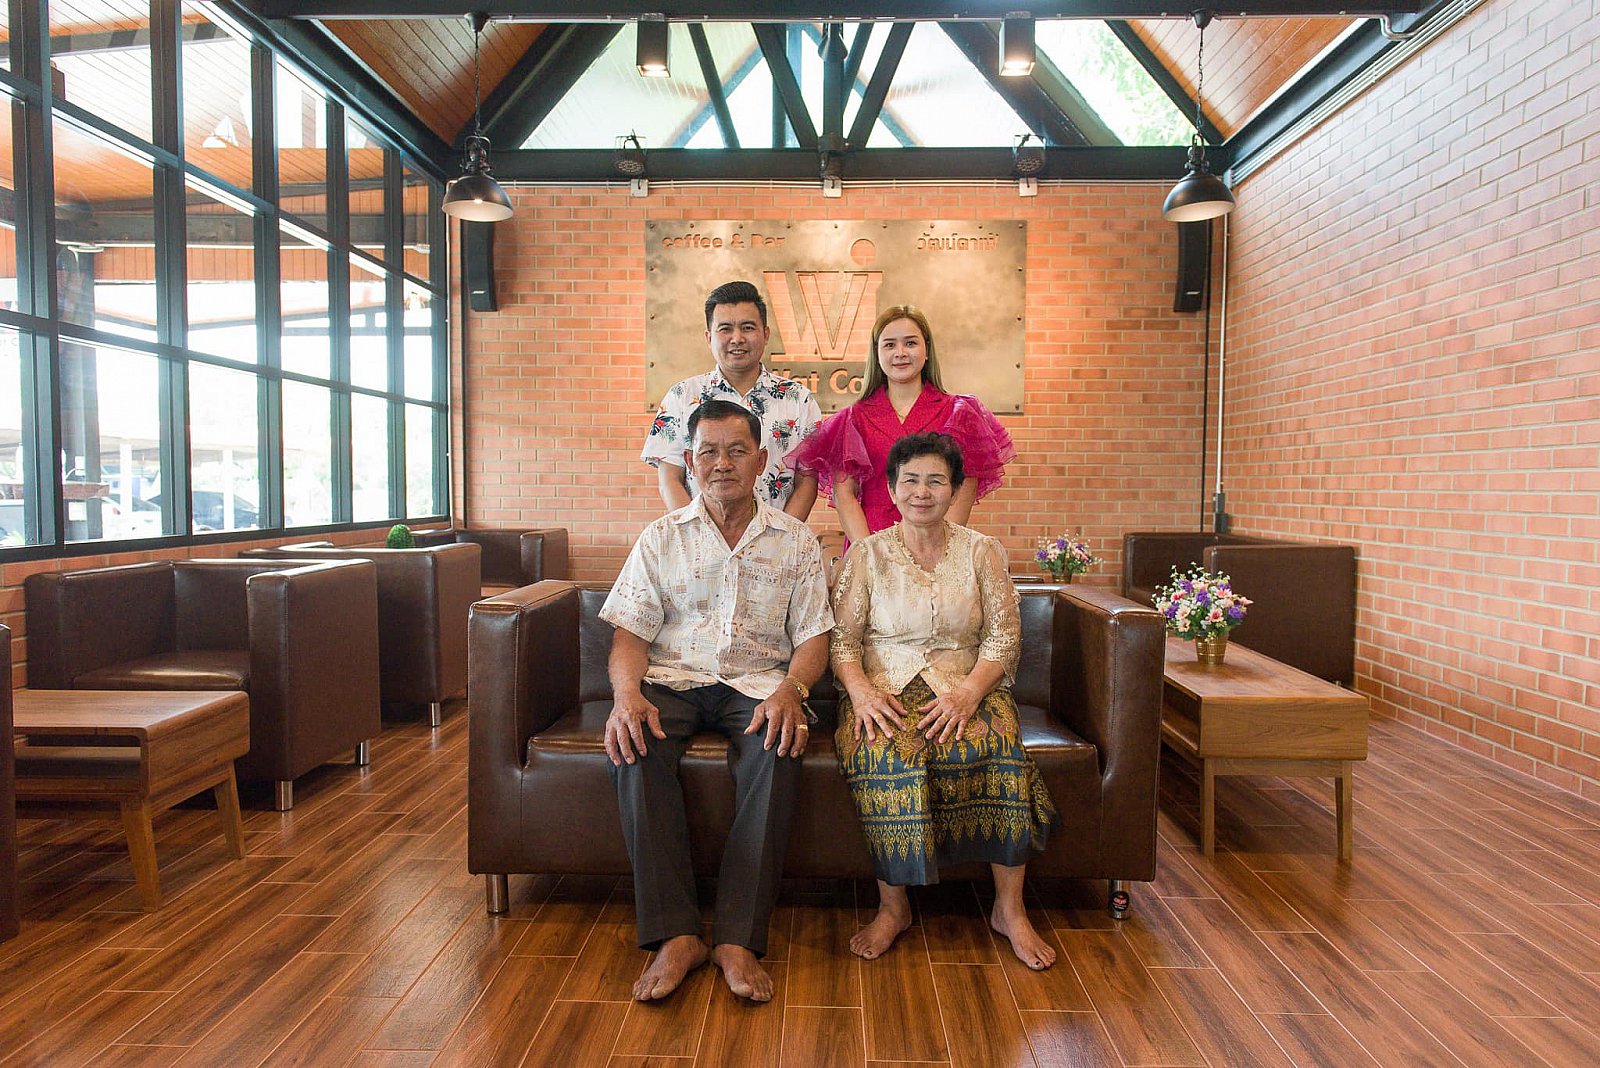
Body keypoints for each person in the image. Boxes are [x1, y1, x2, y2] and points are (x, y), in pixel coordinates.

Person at [603, 398, 834, 1003]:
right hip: (673, 677)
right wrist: (626, 696)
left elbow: (814, 637)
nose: (722, 464)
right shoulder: (660, 538)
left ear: (762, 460)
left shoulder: (796, 541)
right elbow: (630, 636)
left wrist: (793, 690)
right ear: (689, 460)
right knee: (634, 743)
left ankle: (737, 937)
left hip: (758, 682)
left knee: (779, 746)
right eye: (708, 452)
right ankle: (676, 934)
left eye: (737, 451)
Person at [830, 432, 1059, 970]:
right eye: (910, 480)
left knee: (998, 750)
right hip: (884, 686)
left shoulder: (983, 552)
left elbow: (1003, 637)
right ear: (891, 488)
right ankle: (893, 908)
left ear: (955, 490)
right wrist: (861, 694)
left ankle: (1009, 909)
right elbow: (842, 641)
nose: (922, 492)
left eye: (936, 481)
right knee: (883, 752)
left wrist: (970, 693)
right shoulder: (867, 554)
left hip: (968, 681)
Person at [789, 305, 1014, 545]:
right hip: (869, 542)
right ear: (876, 354)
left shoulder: (959, 413)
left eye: (910, 343)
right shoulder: (852, 419)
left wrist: (939, 549)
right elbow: (844, 494)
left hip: (937, 546)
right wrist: (871, 553)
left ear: (927, 350)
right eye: (889, 345)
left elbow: (964, 488)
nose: (900, 353)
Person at [643, 280, 822, 519]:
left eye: (747, 327)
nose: (737, 338)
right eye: (725, 329)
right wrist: (697, 533)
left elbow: (807, 482)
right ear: (709, 337)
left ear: (765, 334)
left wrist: (783, 535)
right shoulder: (681, 397)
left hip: (779, 537)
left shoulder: (799, 400)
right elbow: (670, 479)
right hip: (699, 539)